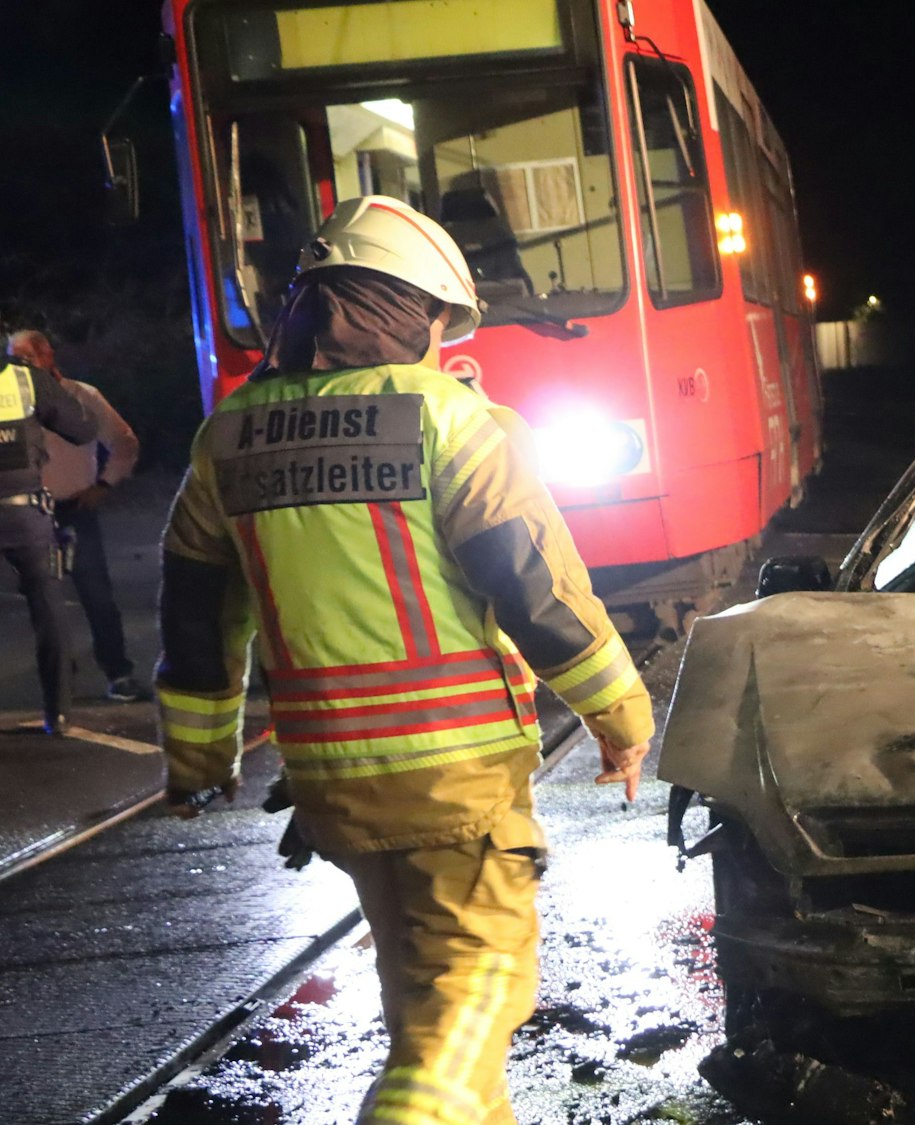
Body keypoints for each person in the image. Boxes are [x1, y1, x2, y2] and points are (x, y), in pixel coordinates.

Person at [156, 195, 655, 1125]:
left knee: (425, 1001)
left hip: (331, 788)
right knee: (477, 986)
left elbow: (196, 619)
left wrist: (198, 763)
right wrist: (622, 718)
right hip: (452, 782)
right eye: (433, 318)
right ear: (408, 314)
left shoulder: (227, 438)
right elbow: (535, 590)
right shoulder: (455, 420)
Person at [6, 330, 148, 702]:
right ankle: (59, 684)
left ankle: (118, 672)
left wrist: (105, 484)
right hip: (29, 509)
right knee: (45, 600)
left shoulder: (82, 396)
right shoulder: (10, 394)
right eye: (13, 357)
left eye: (25, 357)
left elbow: (123, 441)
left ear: (46, 355)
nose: (18, 366)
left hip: (73, 508)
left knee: (96, 596)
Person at [0, 347, 97, 734]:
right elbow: (84, 429)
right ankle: (57, 712)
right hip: (25, 515)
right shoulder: (25, 379)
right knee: (48, 607)